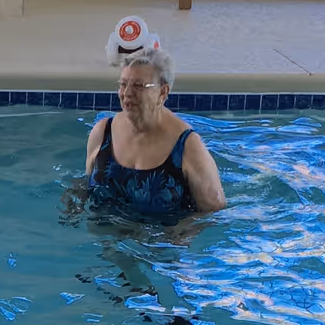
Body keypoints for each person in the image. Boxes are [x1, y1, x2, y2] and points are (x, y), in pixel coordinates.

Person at [84, 47, 225, 217]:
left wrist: (181, 233)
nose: (127, 93)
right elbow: (86, 185)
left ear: (163, 92)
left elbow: (214, 212)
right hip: (106, 240)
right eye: (123, 84)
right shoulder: (102, 132)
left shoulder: (187, 146)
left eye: (138, 85)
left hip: (157, 241)